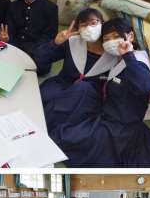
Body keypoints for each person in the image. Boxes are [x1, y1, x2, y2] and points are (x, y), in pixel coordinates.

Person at [50, 17, 150, 167]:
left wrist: (128, 56)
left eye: (116, 36)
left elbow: (146, 85)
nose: (111, 42)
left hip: (120, 127)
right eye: (107, 39)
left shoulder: (138, 61)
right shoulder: (115, 58)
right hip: (108, 114)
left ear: (130, 36)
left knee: (67, 140)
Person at [35, 8, 116, 137]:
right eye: (83, 25)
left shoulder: (112, 50)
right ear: (78, 29)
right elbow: (40, 59)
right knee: (41, 98)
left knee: (74, 121)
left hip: (89, 95)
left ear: (102, 23)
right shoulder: (72, 42)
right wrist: (55, 43)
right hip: (63, 84)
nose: (89, 28)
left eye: (93, 23)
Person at [0, 0, 58, 66]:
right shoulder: (13, 6)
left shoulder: (51, 7)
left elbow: (49, 35)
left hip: (38, 49)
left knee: (39, 65)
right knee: (0, 60)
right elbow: (10, 31)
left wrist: (33, 51)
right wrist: (7, 39)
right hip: (16, 46)